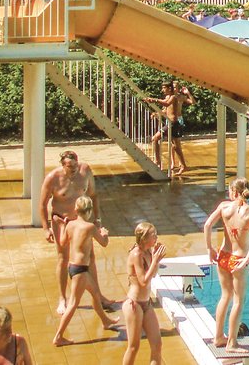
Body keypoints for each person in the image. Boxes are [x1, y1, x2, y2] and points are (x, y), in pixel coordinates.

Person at [40, 150, 112, 316]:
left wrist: (97, 219)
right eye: (70, 167)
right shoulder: (53, 178)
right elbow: (42, 204)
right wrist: (46, 228)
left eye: (75, 166)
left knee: (90, 257)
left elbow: (93, 195)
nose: (73, 170)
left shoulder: (85, 171)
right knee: (63, 258)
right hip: (61, 221)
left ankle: (99, 296)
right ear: (63, 165)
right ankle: (62, 298)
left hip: (81, 221)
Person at [53, 196, 120, 345]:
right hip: (81, 270)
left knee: (96, 294)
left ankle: (105, 321)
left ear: (75, 210)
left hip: (73, 266)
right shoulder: (90, 227)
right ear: (89, 212)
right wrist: (104, 233)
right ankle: (58, 336)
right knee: (73, 303)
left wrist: (63, 226)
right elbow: (104, 244)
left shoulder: (71, 225)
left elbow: (63, 243)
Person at [204, 178, 249, 352]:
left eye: (229, 191)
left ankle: (218, 337)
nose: (228, 194)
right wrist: (247, 259)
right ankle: (232, 343)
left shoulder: (223, 207)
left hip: (223, 256)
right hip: (238, 259)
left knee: (225, 296)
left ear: (234, 192)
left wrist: (209, 248)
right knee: (238, 301)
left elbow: (207, 225)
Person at [122, 222, 166, 365]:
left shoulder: (148, 252)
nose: (156, 236)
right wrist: (155, 261)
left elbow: (153, 275)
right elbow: (143, 281)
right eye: (153, 234)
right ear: (145, 238)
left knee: (157, 345)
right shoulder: (136, 254)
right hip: (134, 305)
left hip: (146, 304)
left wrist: (156, 259)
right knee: (134, 347)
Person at [145, 82, 194, 175]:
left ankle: (158, 161)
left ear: (169, 89)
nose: (162, 90)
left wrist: (155, 100)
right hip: (171, 123)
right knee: (175, 146)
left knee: (155, 139)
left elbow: (167, 104)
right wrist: (156, 113)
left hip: (173, 124)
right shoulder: (168, 97)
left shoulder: (174, 97)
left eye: (164, 88)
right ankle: (183, 166)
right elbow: (165, 109)